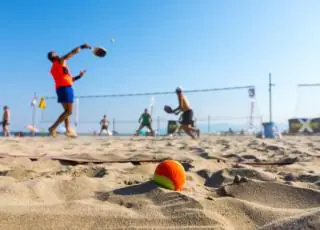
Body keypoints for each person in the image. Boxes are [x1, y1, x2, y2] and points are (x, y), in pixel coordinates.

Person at [47, 43, 91, 137]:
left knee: (66, 112)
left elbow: (69, 79)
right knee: (69, 112)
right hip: (66, 89)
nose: (58, 53)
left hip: (60, 89)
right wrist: (82, 46)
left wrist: (79, 76)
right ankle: (53, 128)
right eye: (55, 53)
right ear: (54, 57)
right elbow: (71, 53)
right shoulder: (59, 61)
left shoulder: (55, 68)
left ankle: (68, 130)